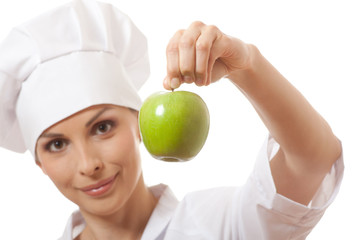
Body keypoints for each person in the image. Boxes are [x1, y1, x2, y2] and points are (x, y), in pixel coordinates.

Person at [0, 0, 344, 239]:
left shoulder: (219, 226)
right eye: (57, 144)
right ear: (39, 162)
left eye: (102, 127)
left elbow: (312, 160)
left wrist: (248, 65)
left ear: (138, 124)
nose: (88, 165)